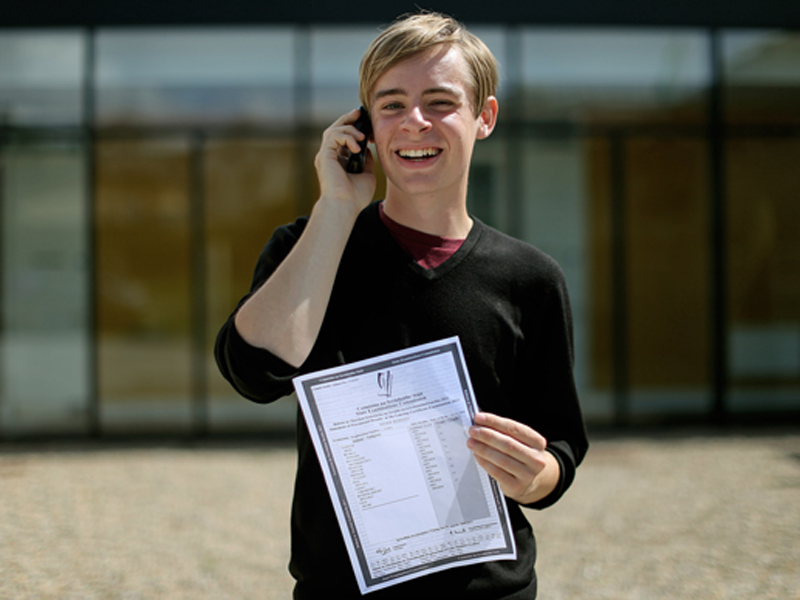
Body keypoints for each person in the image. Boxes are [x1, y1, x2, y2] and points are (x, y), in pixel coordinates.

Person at [215, 11, 588, 599]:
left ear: (483, 117)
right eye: (391, 105)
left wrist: (537, 477)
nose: (414, 122)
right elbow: (253, 373)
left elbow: (561, 444)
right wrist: (337, 207)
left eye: (440, 102)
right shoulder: (309, 247)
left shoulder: (530, 278)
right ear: (363, 125)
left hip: (489, 590)